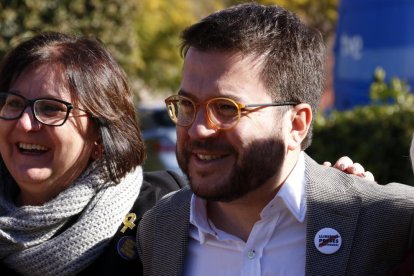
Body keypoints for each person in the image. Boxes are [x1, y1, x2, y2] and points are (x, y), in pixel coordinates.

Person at [137, 3, 414, 275]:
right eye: (187, 105)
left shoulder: (389, 220)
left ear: (296, 124)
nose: (198, 129)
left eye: (225, 108)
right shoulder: (159, 230)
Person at [0, 32, 186, 275]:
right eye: (13, 103)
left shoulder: (162, 214)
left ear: (100, 134)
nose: (25, 123)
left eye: (50, 108)